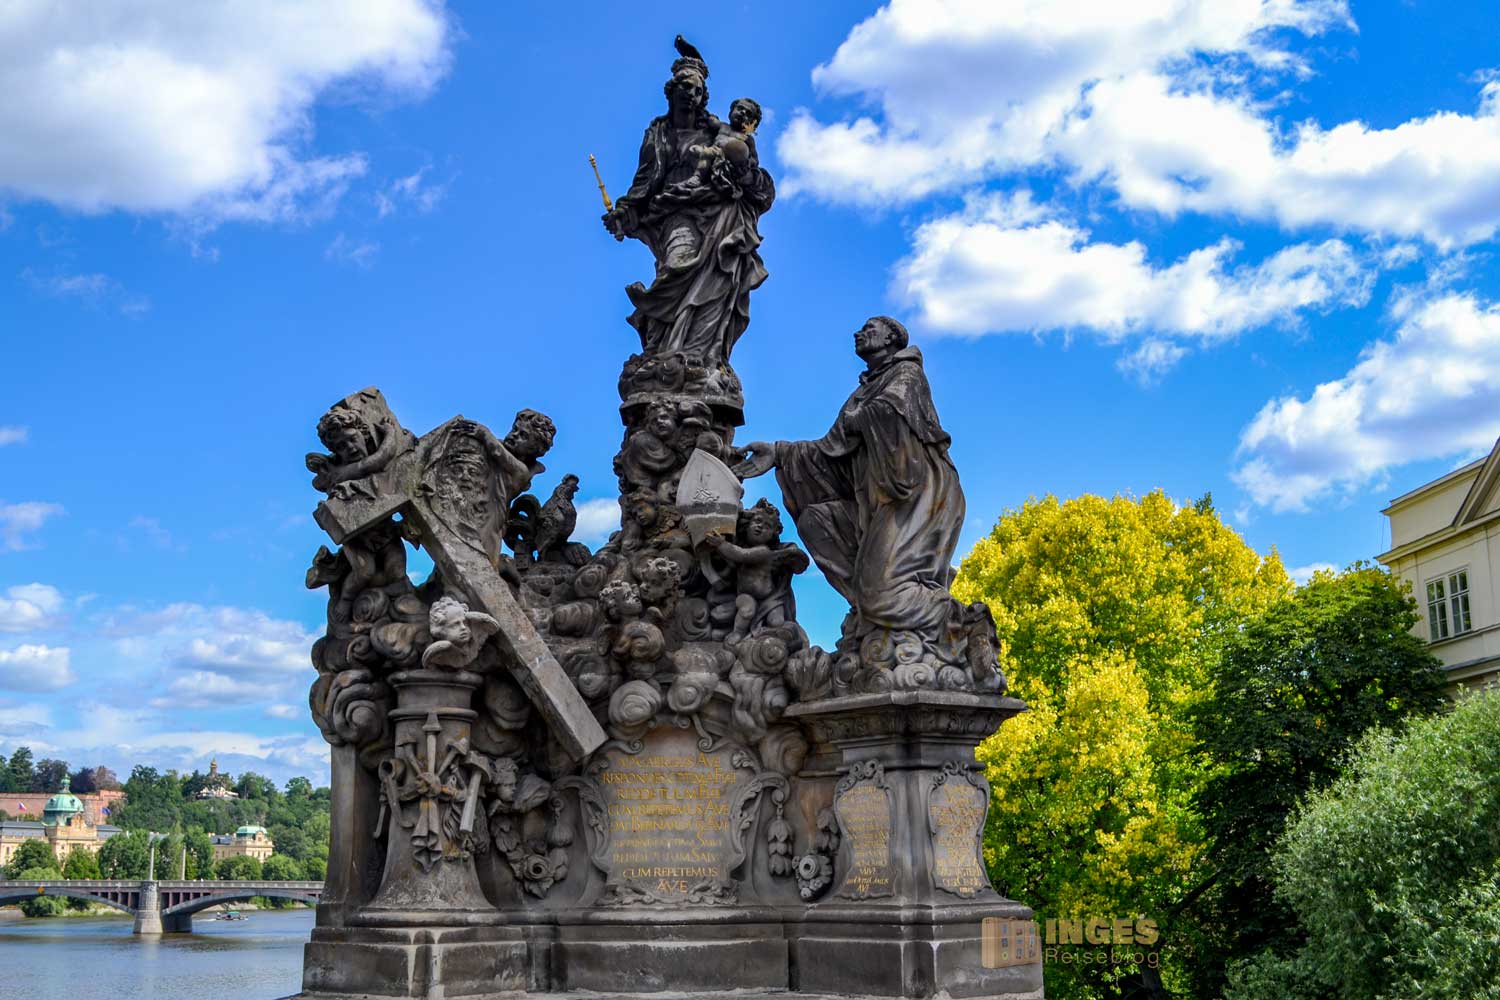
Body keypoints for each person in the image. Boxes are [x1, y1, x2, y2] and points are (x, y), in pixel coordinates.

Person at [735, 316, 964, 653]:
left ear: (892, 339)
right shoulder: (864, 389)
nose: (859, 333)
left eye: (870, 329)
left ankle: (953, 617)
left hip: (917, 495)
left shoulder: (907, 374)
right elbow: (831, 450)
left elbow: (889, 412)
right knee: (817, 521)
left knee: (883, 594)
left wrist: (861, 419)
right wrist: (780, 452)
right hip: (878, 497)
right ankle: (870, 610)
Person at [602, 49, 774, 367]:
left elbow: (757, 183)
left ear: (703, 95)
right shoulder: (659, 135)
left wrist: (743, 173)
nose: (689, 93)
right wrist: (625, 212)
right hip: (676, 214)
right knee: (675, 269)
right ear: (671, 90)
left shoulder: (719, 133)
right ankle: (662, 347)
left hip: (719, 218)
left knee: (718, 284)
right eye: (683, 86)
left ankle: (698, 358)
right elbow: (645, 182)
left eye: (696, 89)